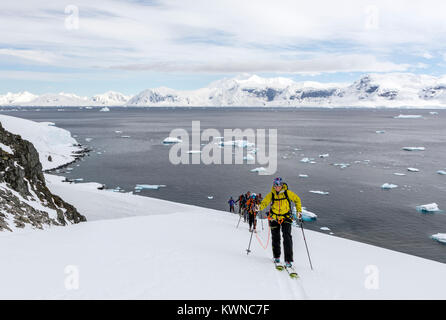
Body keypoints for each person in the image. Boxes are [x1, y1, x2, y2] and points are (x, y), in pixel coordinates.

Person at [259, 177, 302, 268]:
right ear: (273, 185)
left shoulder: (287, 193)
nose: (277, 186)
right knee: (275, 237)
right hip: (274, 218)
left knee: (287, 237)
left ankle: (288, 260)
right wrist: (258, 208)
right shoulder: (271, 194)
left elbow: (297, 199)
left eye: (279, 184)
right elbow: (264, 203)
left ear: (282, 185)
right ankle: (276, 257)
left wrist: (299, 211)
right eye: (275, 184)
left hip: (286, 217)